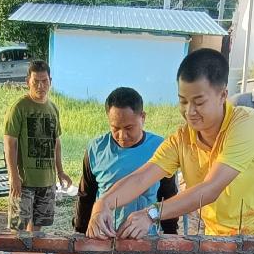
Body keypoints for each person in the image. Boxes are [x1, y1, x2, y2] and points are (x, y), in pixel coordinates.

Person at [86, 49, 254, 238]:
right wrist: (103, 203)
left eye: (199, 102)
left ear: (223, 95)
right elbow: (141, 178)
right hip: (219, 239)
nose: (189, 111)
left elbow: (211, 188)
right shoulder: (181, 139)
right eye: (183, 101)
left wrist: (151, 213)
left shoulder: (246, 122)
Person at [73, 87, 178, 235]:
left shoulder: (161, 148)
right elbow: (86, 196)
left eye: (129, 128)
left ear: (143, 117)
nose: (122, 136)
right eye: (115, 128)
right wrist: (80, 233)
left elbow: (168, 195)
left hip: (145, 237)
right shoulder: (96, 149)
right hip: (105, 236)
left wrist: (170, 235)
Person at [4, 60, 71, 232]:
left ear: (50, 81)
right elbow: (10, 143)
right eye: (36, 81)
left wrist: (60, 171)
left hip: (47, 180)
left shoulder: (53, 109)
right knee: (18, 229)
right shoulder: (19, 107)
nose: (40, 86)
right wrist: (14, 176)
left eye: (44, 81)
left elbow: (56, 142)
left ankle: (32, 250)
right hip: (24, 180)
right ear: (28, 81)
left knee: (37, 229)